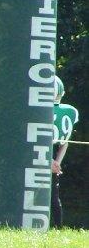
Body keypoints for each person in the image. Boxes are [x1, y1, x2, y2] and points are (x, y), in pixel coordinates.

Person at [51, 75, 79, 229]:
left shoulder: (39, 112)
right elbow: (65, 142)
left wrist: (50, 162)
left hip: (39, 154)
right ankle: (58, 227)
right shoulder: (70, 111)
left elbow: (39, 140)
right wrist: (57, 163)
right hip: (54, 157)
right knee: (53, 194)